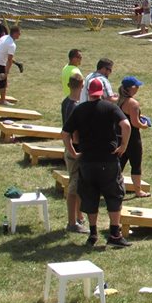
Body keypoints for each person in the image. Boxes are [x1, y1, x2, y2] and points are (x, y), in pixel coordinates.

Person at [62, 77, 132, 247]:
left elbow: (65, 133)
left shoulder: (80, 109)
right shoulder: (110, 107)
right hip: (108, 160)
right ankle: (115, 234)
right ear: (101, 92)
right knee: (114, 195)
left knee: (90, 196)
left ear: (87, 92)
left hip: (87, 161)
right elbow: (126, 125)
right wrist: (123, 145)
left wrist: (72, 151)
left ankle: (93, 233)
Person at [61, 73, 89, 234]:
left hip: (70, 148)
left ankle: (79, 216)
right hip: (75, 149)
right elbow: (74, 133)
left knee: (78, 184)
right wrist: (76, 151)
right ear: (82, 85)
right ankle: (72, 223)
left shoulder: (66, 101)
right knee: (74, 186)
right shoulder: (76, 106)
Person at [117, 76, 151, 197]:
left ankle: (110, 189)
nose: (138, 88)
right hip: (133, 138)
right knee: (136, 164)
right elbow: (135, 123)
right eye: (136, 86)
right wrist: (145, 125)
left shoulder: (119, 100)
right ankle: (138, 191)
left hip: (120, 137)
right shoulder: (133, 103)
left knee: (118, 164)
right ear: (131, 88)